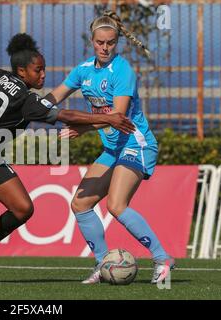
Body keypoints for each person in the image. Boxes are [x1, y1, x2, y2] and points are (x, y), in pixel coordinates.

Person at [0, 33, 136, 284]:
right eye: (37, 70)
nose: (43, 75)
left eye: (43, 70)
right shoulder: (26, 100)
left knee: (23, 209)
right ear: (22, 71)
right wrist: (107, 118)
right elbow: (68, 115)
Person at [46, 11, 174, 284]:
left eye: (111, 43)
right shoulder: (83, 70)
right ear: (92, 41)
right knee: (80, 203)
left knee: (116, 205)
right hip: (113, 149)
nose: (105, 47)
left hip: (135, 144)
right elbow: (54, 97)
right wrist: (29, 106)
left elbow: (117, 117)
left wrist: (82, 127)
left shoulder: (122, 70)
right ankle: (103, 264)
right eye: (100, 42)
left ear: (117, 43)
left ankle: (163, 259)